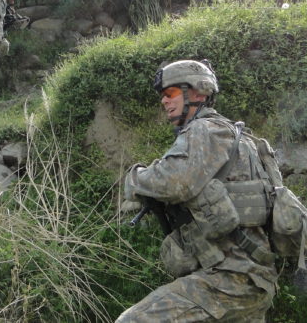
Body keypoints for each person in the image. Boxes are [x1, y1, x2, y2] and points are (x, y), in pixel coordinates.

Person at [117, 60, 278, 322]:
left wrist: (135, 179)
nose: (164, 102)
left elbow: (175, 181)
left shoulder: (205, 130)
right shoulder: (239, 136)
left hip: (230, 281)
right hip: (253, 278)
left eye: (170, 94)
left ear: (198, 93)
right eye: (162, 96)